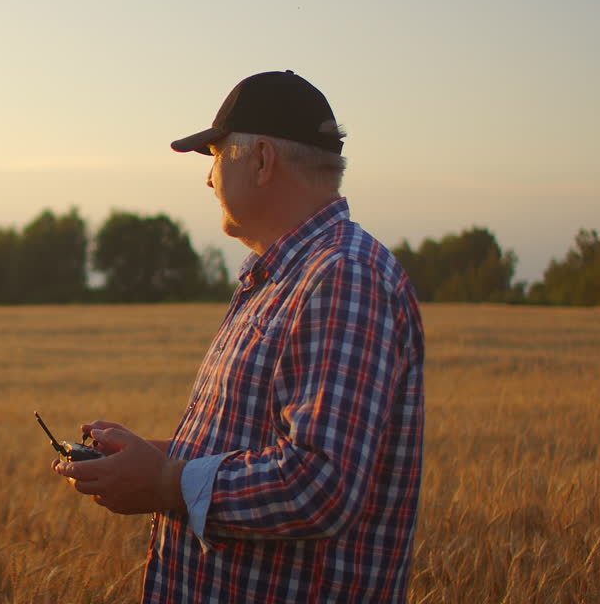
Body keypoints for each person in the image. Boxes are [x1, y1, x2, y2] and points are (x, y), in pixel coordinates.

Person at [53, 70, 425, 603]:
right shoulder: (285, 276)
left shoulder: (343, 277)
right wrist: (154, 459)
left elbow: (321, 485)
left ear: (261, 160)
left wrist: (165, 482)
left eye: (216, 155)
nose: (208, 180)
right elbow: (266, 450)